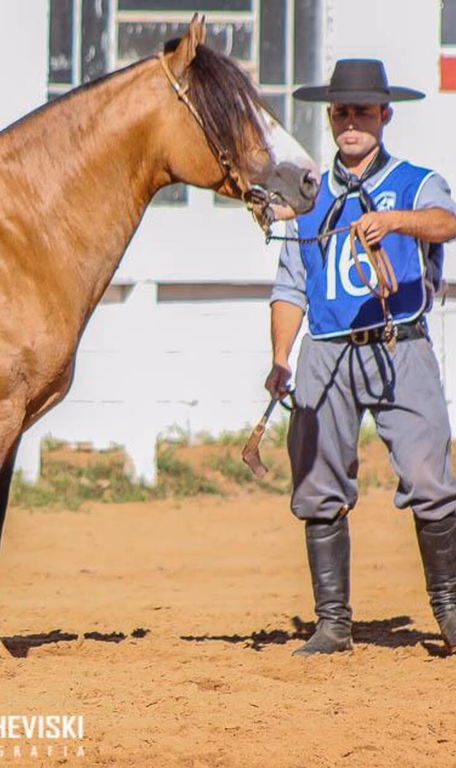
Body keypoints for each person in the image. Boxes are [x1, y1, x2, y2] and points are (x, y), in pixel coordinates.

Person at [265, 59, 456, 656]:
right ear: (330, 118)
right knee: (318, 484)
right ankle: (333, 623)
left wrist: (393, 221)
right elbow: (291, 282)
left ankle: (451, 615)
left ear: (385, 116)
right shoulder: (308, 195)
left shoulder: (415, 180)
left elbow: (446, 224)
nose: (352, 122)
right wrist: (280, 359)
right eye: (342, 112)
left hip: (401, 343)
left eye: (363, 112)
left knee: (431, 479)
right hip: (325, 352)